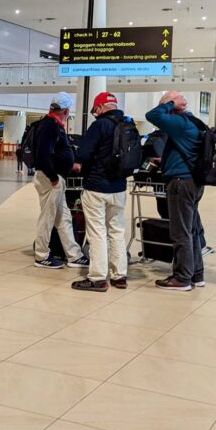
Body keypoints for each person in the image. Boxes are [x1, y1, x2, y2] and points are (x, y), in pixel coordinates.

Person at [145, 91, 204, 291]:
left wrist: (169, 103)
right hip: (193, 182)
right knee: (191, 231)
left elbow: (152, 115)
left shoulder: (180, 122)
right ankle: (196, 274)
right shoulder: (194, 122)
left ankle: (182, 278)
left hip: (180, 183)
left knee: (180, 233)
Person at [71, 92, 128, 292]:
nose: (94, 113)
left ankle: (97, 278)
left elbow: (83, 153)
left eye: (95, 109)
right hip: (119, 187)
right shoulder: (127, 124)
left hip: (97, 186)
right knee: (117, 231)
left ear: (102, 106)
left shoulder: (99, 125)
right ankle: (120, 276)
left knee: (97, 232)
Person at [32, 92, 89, 270]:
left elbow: (54, 154)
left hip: (56, 179)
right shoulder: (49, 126)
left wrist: (69, 165)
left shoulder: (54, 125)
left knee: (64, 218)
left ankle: (74, 255)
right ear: (66, 111)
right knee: (47, 218)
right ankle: (41, 255)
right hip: (50, 179)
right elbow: (42, 156)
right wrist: (54, 178)